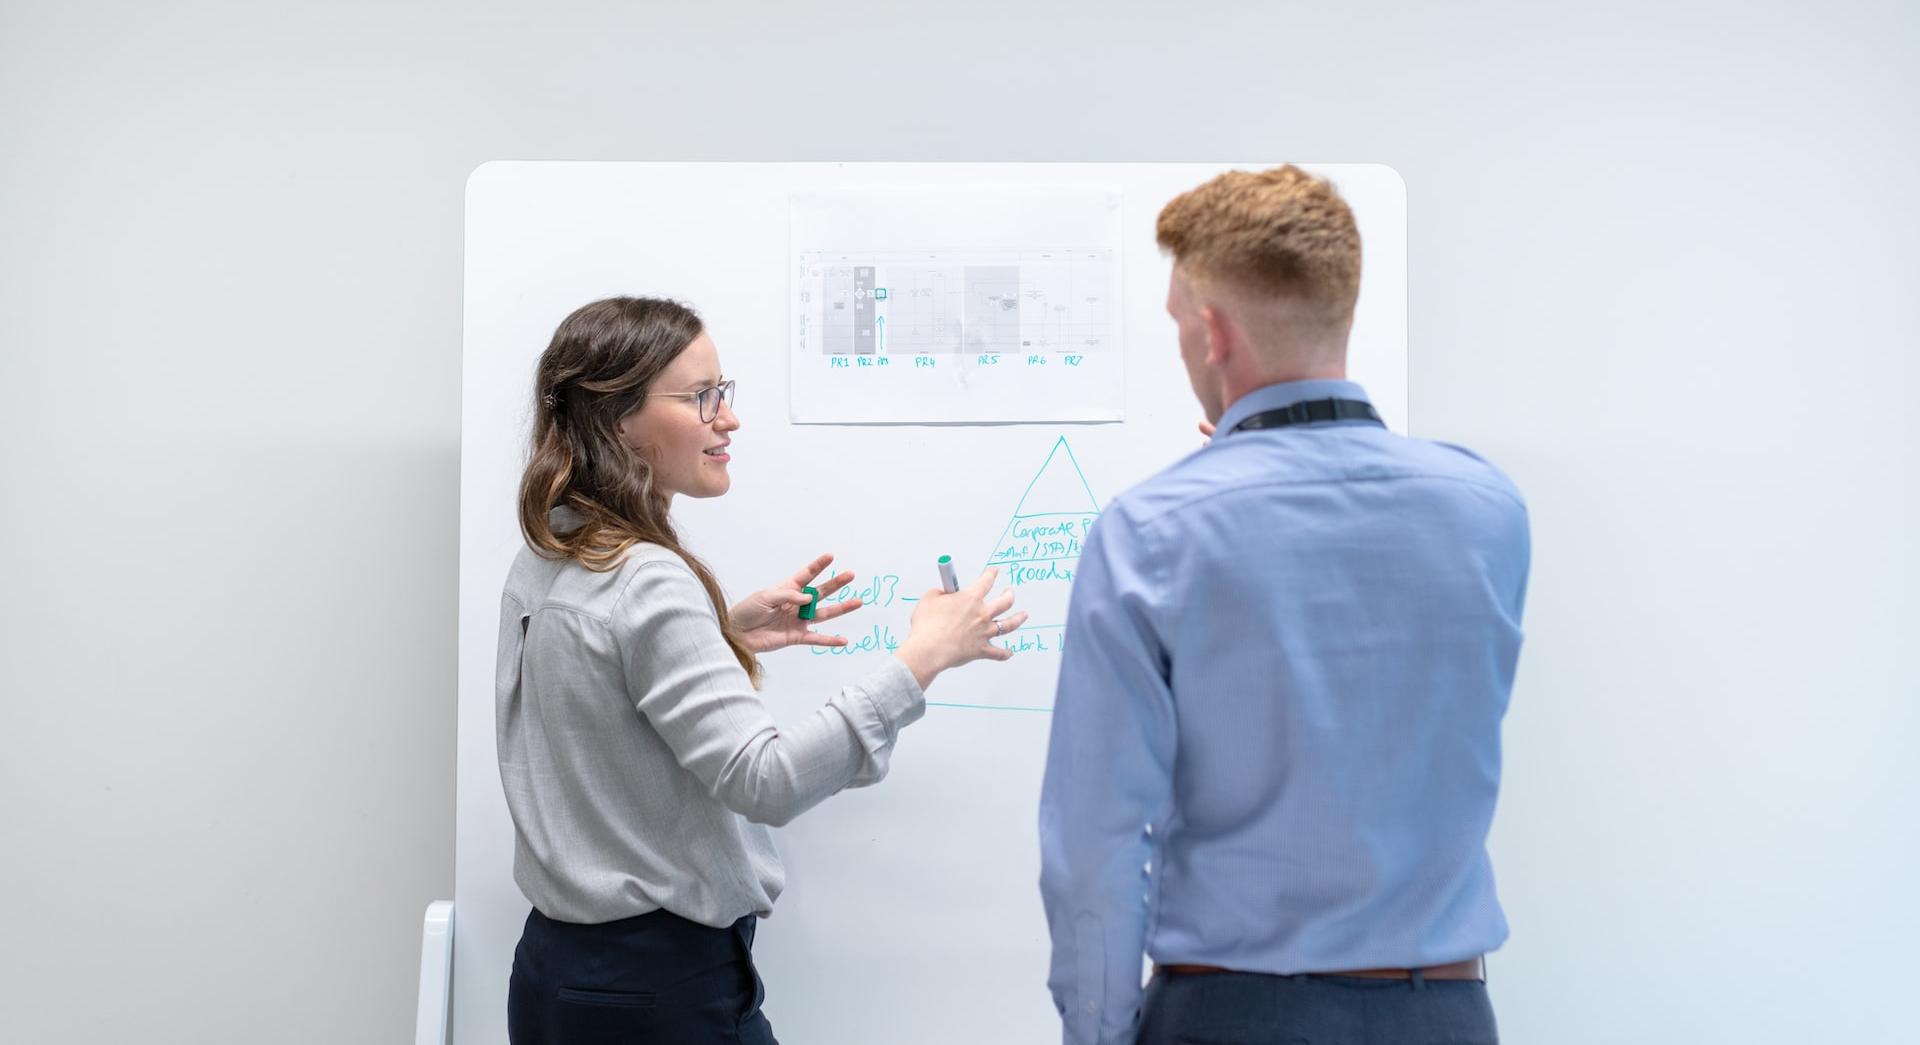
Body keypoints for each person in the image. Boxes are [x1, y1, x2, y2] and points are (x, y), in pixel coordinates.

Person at [1038, 166, 1530, 1045]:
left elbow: (1098, 846)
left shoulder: (1152, 533)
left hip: (1237, 1016)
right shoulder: (1487, 511)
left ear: (1213, 333)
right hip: (1447, 1016)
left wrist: (1097, 1033)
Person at [498, 296, 1026, 1044]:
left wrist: (722, 631)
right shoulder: (648, 579)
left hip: (558, 976)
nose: (728, 418)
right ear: (618, 420)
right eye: (700, 397)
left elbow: (591, 688)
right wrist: (923, 658)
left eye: (724, 391)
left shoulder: (555, 547)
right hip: (658, 993)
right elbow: (766, 780)